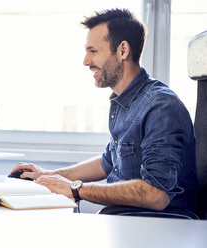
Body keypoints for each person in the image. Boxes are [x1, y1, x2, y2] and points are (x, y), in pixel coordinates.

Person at [10, 8, 199, 213]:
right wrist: (48, 175)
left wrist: (76, 189)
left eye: (93, 51)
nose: (86, 61)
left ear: (123, 50)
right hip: (127, 219)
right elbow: (108, 162)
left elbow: (156, 195)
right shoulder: (124, 102)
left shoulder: (160, 107)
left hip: (162, 225)